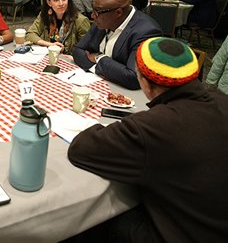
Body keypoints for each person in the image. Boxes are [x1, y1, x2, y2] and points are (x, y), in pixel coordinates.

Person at [67, 37, 228, 243]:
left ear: (144, 82)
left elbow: (81, 149)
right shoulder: (222, 100)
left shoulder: (153, 126)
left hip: (183, 233)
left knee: (95, 219)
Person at [72, 0, 162, 90]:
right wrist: (98, 68)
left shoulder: (146, 31)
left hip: (127, 94)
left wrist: (98, 58)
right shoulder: (103, 20)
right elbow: (77, 50)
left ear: (118, 13)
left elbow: (133, 78)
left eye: (97, 12)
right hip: (96, 83)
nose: (93, 16)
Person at [26, 0, 90, 54]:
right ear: (49, 3)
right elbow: (30, 34)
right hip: (49, 56)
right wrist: (50, 45)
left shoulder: (80, 20)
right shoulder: (45, 15)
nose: (61, 3)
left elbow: (86, 49)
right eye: (56, 0)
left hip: (70, 60)